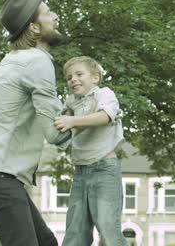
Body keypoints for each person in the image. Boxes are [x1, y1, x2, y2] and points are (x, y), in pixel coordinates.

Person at [0, 0, 70, 246]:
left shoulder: (16, 60)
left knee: (46, 243)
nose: (54, 16)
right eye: (47, 13)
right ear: (33, 27)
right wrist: (94, 113)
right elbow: (55, 133)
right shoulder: (37, 61)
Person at [54, 56, 127, 246]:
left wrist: (72, 121)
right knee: (75, 232)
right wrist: (66, 117)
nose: (73, 80)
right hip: (80, 173)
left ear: (95, 77)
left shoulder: (104, 94)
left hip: (104, 169)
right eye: (69, 77)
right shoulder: (71, 102)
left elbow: (104, 117)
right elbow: (60, 127)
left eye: (79, 74)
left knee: (108, 229)